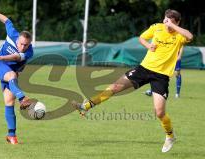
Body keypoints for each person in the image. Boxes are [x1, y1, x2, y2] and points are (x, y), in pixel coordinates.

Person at [72, 9, 193, 152]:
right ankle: (85, 106)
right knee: (115, 87)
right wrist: (148, 45)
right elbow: (142, 37)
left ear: (177, 22)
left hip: (161, 76)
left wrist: (173, 26)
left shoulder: (179, 35)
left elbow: (190, 36)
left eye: (170, 22)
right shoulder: (157, 28)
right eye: (165, 20)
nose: (166, 24)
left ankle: (170, 136)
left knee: (159, 112)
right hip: (144, 69)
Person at [0, 4, 36, 144]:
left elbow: (15, 57)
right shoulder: (13, 34)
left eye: (26, 45)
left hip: (6, 67)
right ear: (18, 38)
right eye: (21, 43)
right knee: (12, 75)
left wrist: (1, 57)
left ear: (30, 44)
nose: (23, 47)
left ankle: (11, 136)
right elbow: (7, 20)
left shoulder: (29, 52)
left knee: (9, 102)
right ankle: (23, 98)